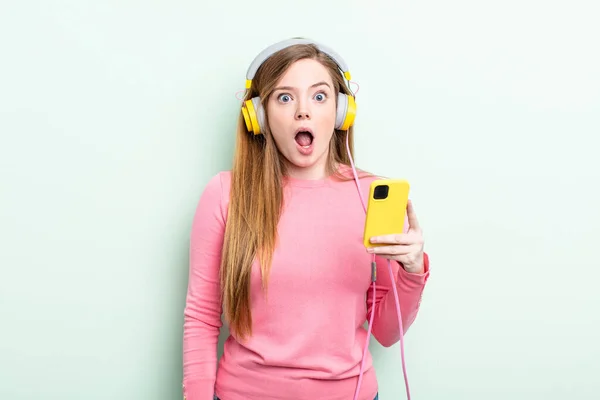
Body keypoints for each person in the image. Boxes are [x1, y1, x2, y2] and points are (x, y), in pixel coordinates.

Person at [182, 38, 430, 400]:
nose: (303, 111)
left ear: (342, 111)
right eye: (285, 97)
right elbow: (202, 318)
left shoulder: (371, 196)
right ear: (260, 116)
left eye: (319, 96)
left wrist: (411, 272)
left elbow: (387, 333)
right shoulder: (225, 194)